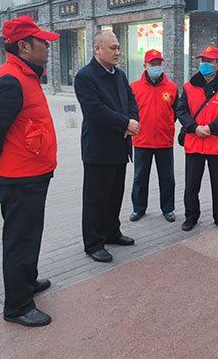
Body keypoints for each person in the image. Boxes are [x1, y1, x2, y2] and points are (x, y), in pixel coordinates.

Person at [0, 15, 59, 327]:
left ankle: (27, 281)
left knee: (30, 235)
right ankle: (17, 306)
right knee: (19, 240)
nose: (48, 47)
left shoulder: (26, 76)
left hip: (33, 172)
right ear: (23, 46)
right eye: (43, 42)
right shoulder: (10, 80)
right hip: (19, 177)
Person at [74, 31, 140, 263]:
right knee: (96, 198)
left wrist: (132, 121)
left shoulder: (119, 75)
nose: (117, 52)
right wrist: (125, 123)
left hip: (120, 145)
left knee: (114, 194)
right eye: (112, 48)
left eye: (118, 47)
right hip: (99, 148)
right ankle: (93, 243)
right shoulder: (85, 76)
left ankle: (112, 232)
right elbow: (95, 110)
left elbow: (131, 100)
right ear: (97, 49)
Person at [177, 46, 218, 232]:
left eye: (209, 61)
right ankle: (191, 217)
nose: (205, 64)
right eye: (203, 61)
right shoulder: (189, 87)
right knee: (191, 184)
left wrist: (211, 128)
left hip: (217, 143)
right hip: (194, 142)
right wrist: (194, 128)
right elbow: (181, 110)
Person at [129, 49, 178, 223]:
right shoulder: (134, 87)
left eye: (159, 63)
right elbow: (130, 111)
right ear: (145, 65)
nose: (156, 66)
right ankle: (138, 208)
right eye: (152, 63)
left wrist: (166, 125)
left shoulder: (172, 88)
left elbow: (175, 111)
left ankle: (168, 209)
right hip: (142, 140)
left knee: (167, 178)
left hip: (165, 140)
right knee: (140, 178)